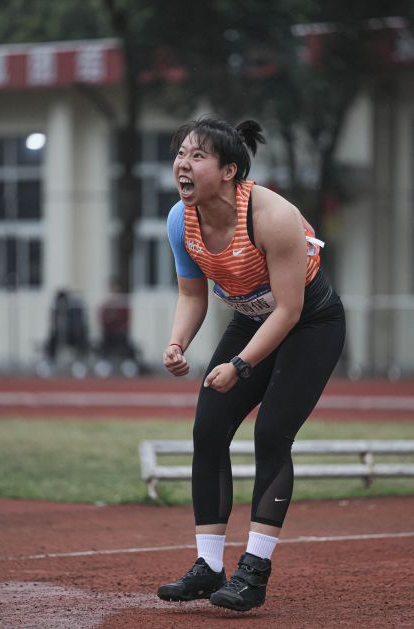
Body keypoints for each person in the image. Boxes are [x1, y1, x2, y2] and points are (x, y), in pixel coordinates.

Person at [157, 114, 345, 612]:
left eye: (197, 155)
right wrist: (177, 343)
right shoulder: (180, 219)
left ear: (229, 171)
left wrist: (239, 366)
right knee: (208, 431)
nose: (183, 164)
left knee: (272, 434)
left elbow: (289, 311)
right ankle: (208, 566)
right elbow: (192, 295)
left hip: (309, 323)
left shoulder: (273, 215)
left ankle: (254, 571)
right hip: (250, 318)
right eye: (180, 154)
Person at [45, 289, 89, 362]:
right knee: (52, 340)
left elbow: (76, 325)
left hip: (72, 335)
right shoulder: (56, 311)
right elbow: (54, 325)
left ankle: (82, 359)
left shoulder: (73, 310)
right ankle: (51, 360)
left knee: (80, 338)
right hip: (60, 335)